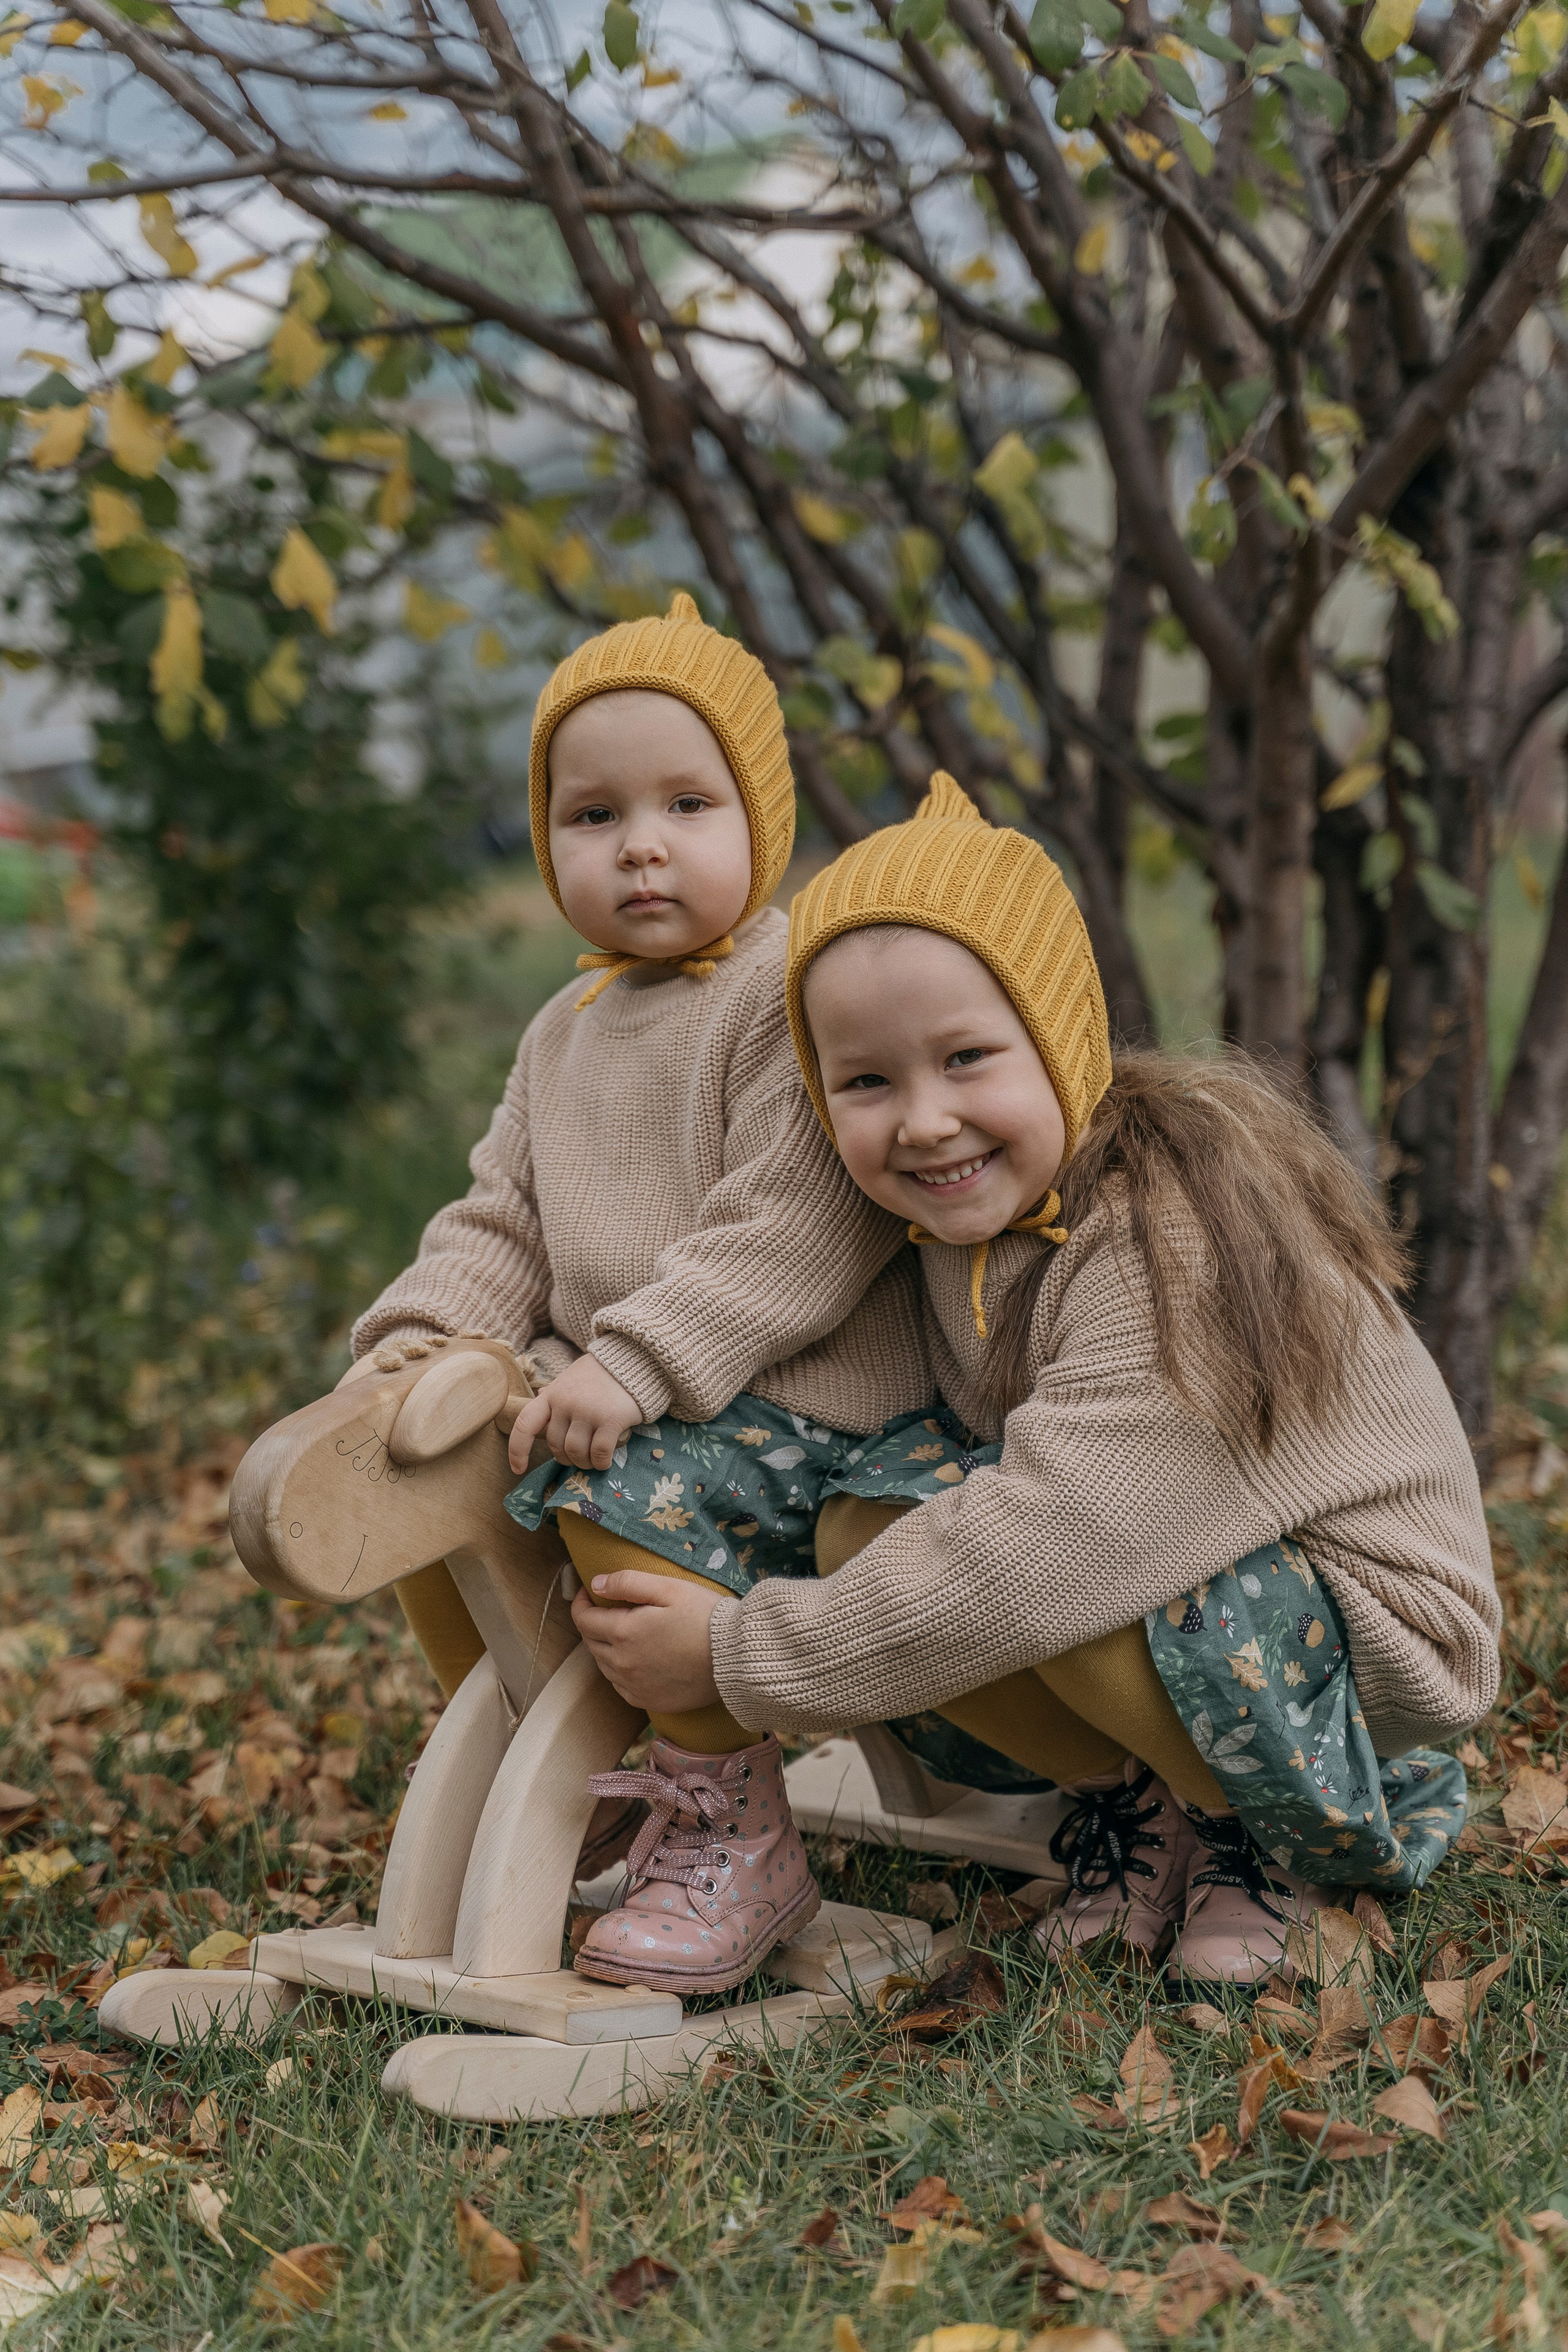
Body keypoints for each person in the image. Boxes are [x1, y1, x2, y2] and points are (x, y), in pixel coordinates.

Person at [573, 774, 1499, 1985]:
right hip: (1159, 1572)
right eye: (865, 1083)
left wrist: (741, 1657)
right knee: (868, 1515)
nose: (922, 1122)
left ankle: (1271, 1843)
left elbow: (1051, 1540)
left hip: (1368, 1632)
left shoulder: (1173, 1236)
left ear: (1059, 1041)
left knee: (1049, 1571)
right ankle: (1144, 1808)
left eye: (966, 1059)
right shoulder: (967, 1229)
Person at [347, 592, 948, 1994]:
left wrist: (633, 1361)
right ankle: (580, 1777)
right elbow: (505, 1216)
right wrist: (421, 1341)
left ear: (762, 815)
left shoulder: (786, 987)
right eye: (592, 815)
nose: (640, 847)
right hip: (625, 1393)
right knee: (446, 1495)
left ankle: (731, 1825)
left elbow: (796, 1226)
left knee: (625, 1492)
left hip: (799, 1401)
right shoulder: (564, 1028)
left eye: (687, 802)